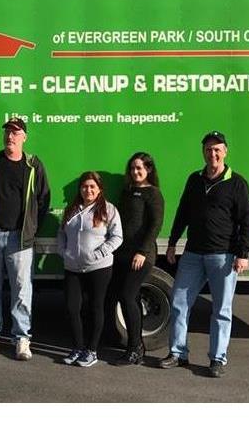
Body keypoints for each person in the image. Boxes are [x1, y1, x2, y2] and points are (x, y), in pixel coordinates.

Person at [158, 131, 249, 378]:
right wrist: (172, 242)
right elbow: (183, 212)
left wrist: (243, 253)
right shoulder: (194, 179)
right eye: (208, 149)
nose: (212, 154)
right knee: (179, 303)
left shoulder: (237, 183)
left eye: (217, 149)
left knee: (221, 310)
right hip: (192, 254)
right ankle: (178, 353)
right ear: (203, 152)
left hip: (223, 256)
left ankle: (217, 359)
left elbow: (247, 221)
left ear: (225, 152)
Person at [0, 117, 51, 360]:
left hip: (21, 239)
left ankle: (22, 339)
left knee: (21, 290)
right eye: (7, 132)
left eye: (16, 133)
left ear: (24, 137)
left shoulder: (33, 166)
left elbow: (43, 200)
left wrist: (31, 229)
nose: (10, 136)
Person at [57, 171, 122, 367]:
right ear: (80, 189)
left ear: (99, 189)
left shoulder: (108, 210)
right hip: (72, 268)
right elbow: (61, 233)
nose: (88, 190)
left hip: (99, 268)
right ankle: (78, 347)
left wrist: (98, 254)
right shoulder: (71, 209)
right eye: (85, 186)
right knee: (72, 307)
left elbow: (117, 237)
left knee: (95, 307)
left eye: (92, 186)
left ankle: (92, 351)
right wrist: (63, 251)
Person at [111, 152, 164, 366]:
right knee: (121, 297)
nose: (135, 172)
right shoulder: (128, 191)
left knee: (128, 296)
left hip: (142, 256)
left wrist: (142, 251)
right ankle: (130, 344)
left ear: (149, 169)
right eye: (132, 168)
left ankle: (136, 348)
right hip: (122, 253)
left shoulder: (153, 194)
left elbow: (155, 225)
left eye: (140, 168)